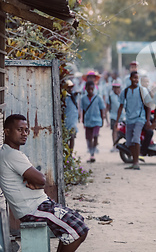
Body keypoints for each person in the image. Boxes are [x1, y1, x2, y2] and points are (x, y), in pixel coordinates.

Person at [0, 114, 88, 251]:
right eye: (19, 130)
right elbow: (41, 179)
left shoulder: (11, 153)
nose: (24, 134)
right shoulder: (11, 155)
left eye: (26, 130)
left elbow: (39, 181)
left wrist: (38, 182)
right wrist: (38, 182)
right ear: (6, 132)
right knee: (77, 230)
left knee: (78, 221)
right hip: (32, 209)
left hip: (40, 203)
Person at [115, 71, 152, 170]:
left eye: (137, 78)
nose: (135, 80)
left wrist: (148, 120)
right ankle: (134, 161)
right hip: (129, 119)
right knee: (129, 142)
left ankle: (136, 163)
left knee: (136, 139)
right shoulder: (125, 91)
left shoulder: (142, 90)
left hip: (140, 119)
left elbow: (148, 106)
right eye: (134, 78)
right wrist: (116, 121)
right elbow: (120, 106)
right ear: (130, 79)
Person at [80, 80, 106, 163]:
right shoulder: (83, 99)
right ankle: (91, 152)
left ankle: (93, 153)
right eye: (88, 89)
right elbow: (83, 110)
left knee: (95, 135)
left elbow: (102, 109)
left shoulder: (98, 98)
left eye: (92, 89)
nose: (90, 91)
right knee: (88, 138)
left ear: (94, 88)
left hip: (97, 120)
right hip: (88, 121)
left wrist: (102, 120)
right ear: (86, 89)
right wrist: (83, 120)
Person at [63, 80, 80, 154]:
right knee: (66, 139)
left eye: (71, 88)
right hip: (66, 122)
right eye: (68, 88)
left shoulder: (73, 96)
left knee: (72, 137)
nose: (70, 90)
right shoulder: (64, 97)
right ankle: (67, 154)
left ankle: (70, 154)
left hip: (73, 122)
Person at [108, 82, 123, 151]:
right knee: (114, 131)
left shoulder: (122, 96)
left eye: (117, 87)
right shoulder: (111, 96)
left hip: (122, 116)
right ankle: (114, 145)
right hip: (113, 116)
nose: (116, 89)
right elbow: (108, 106)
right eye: (115, 88)